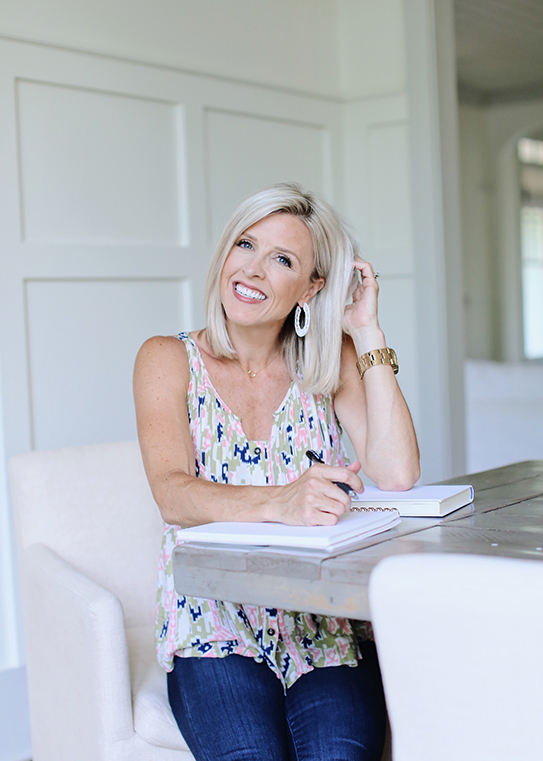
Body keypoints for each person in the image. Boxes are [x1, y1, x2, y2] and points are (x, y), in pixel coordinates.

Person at [134, 183, 420, 761]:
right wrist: (282, 500)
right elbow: (172, 495)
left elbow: (397, 473)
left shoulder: (330, 360)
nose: (253, 269)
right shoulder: (167, 358)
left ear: (312, 287)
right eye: (246, 244)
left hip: (325, 628)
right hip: (213, 626)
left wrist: (367, 331)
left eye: (282, 259)